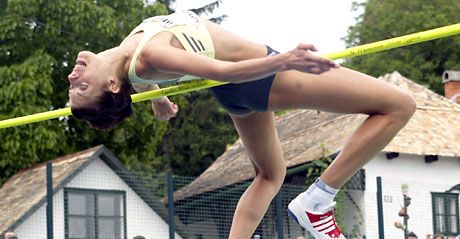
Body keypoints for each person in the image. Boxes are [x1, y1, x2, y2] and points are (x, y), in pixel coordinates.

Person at [68, 10, 416, 239]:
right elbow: (221, 70)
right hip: (259, 76)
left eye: (73, 85)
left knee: (270, 176)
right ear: (111, 86)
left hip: (235, 94)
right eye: (81, 87)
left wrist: (158, 99)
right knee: (398, 105)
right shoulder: (147, 57)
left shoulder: (128, 60)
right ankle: (318, 200)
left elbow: (139, 79)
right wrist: (285, 60)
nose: (73, 76)